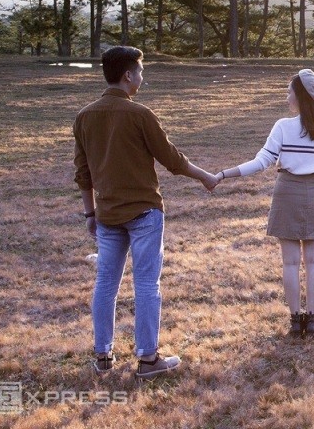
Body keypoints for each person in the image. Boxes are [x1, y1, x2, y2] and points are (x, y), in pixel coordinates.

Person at [74, 46, 219, 378]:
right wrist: (206, 178)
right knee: (146, 284)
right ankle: (148, 359)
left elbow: (82, 173)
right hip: (144, 214)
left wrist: (90, 214)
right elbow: (173, 160)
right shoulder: (139, 115)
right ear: (127, 75)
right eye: (140, 72)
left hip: (107, 215)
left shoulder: (84, 117)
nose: (142, 78)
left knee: (105, 283)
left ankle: (102, 356)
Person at [214, 69, 314, 340]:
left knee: (291, 263)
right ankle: (313, 319)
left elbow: (261, 162)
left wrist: (225, 173)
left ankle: (296, 321)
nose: (286, 97)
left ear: (300, 96)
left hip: (288, 192)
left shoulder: (284, 126)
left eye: (289, 91)